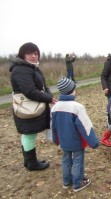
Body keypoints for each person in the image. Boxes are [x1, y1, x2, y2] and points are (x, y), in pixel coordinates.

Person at [9, 42, 57, 171]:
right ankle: (31, 163)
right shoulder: (20, 69)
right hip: (26, 108)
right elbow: (29, 91)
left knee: (29, 133)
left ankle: (29, 161)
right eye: (30, 53)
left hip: (32, 106)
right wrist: (49, 98)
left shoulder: (31, 68)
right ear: (23, 54)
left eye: (36, 53)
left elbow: (43, 86)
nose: (34, 56)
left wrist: (49, 95)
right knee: (29, 133)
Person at [51, 77, 99, 192]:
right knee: (78, 161)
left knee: (66, 160)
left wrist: (55, 140)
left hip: (64, 141)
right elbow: (86, 127)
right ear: (71, 90)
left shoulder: (55, 107)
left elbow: (54, 127)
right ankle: (78, 183)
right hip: (76, 142)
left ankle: (66, 182)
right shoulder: (77, 107)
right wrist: (94, 142)